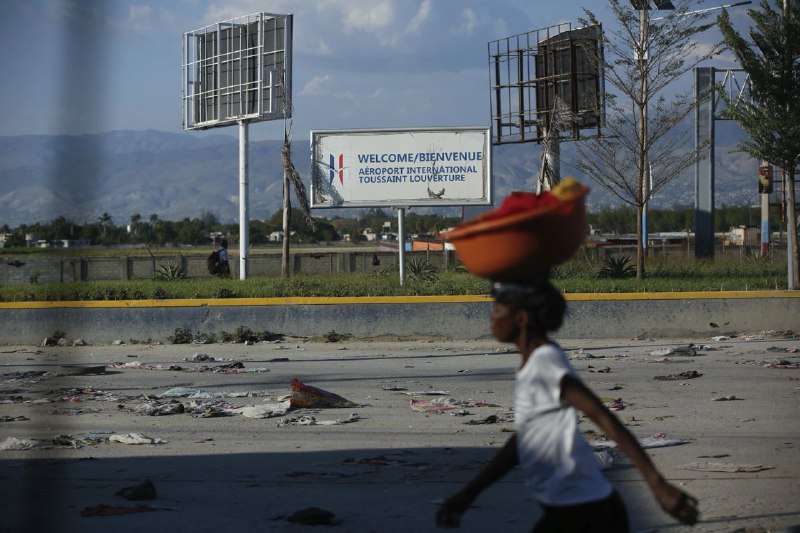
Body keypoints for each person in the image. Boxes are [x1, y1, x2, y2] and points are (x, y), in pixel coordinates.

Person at [436, 276, 699, 532]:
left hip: (585, 511)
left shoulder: (545, 364)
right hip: (576, 506)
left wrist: (657, 484)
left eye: (498, 309)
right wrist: (468, 495)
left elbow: (603, 417)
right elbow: (522, 441)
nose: (491, 317)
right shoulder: (533, 364)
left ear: (521, 318)